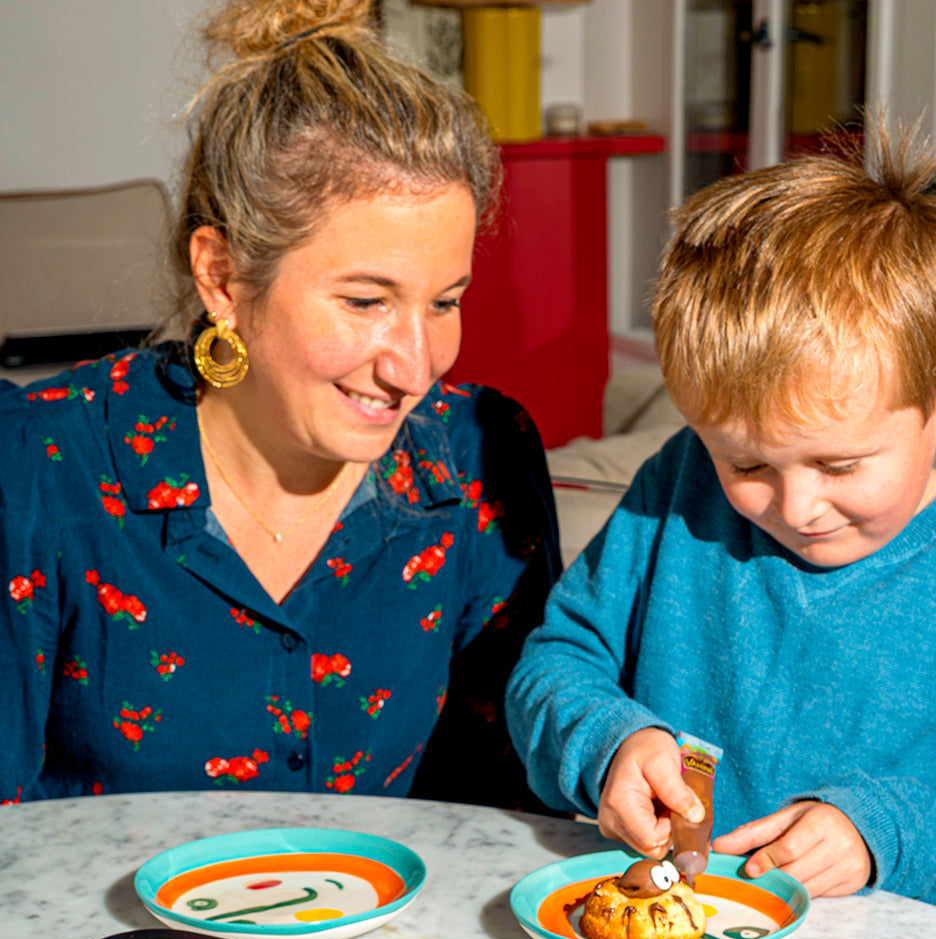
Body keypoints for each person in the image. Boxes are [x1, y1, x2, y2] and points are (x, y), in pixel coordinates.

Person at [506, 125, 936, 921]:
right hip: (660, 935)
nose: (798, 507)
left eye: (840, 466)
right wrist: (608, 744)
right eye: (747, 466)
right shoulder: (678, 480)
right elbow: (556, 664)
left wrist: (881, 835)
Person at [0, 0, 559, 807]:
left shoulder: (480, 454)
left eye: (444, 303)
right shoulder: (42, 466)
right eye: (366, 301)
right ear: (223, 277)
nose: (414, 368)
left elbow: (507, 818)